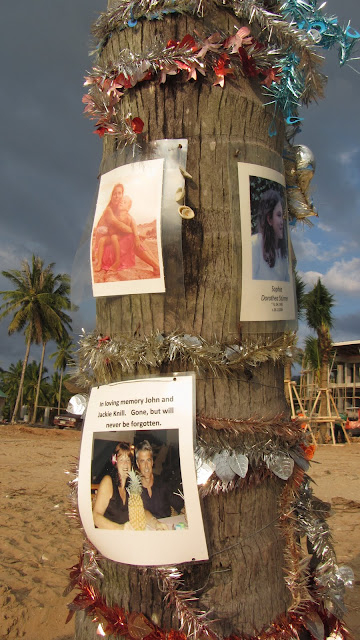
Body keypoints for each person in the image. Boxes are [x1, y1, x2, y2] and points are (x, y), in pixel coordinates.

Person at [92, 441, 166, 530]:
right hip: (108, 535)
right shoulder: (108, 482)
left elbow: (141, 511)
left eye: (128, 460)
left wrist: (156, 523)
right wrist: (120, 528)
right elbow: (95, 516)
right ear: (115, 462)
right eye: (121, 460)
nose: (125, 464)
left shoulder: (130, 487)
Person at [92, 183, 160, 275]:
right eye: (114, 194)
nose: (117, 196)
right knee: (133, 238)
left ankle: (157, 265)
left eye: (119, 193)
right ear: (111, 196)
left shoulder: (119, 210)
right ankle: (156, 266)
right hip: (102, 249)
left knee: (136, 239)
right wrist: (137, 234)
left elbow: (131, 221)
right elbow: (120, 226)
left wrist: (137, 235)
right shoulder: (109, 210)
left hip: (111, 243)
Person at [135, 440, 184, 519]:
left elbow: (178, 503)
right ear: (138, 464)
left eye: (148, 460)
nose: (146, 466)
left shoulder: (162, 483)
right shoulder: (134, 489)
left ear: (152, 462)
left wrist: (185, 510)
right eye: (142, 461)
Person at [252, 189, 289, 281]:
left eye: (283, 216)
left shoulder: (283, 253)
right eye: (279, 215)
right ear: (269, 219)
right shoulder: (254, 244)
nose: (282, 222)